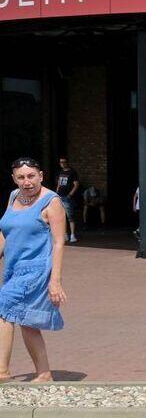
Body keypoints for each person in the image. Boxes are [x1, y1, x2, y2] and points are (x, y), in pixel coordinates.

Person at [0, 158, 67, 383]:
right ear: (14, 179)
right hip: (13, 268)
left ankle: (1, 372)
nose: (26, 182)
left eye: (31, 176)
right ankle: (44, 373)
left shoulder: (51, 201)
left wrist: (55, 281)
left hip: (35, 269)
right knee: (27, 322)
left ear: (41, 176)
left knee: (3, 308)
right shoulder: (14, 196)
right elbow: (7, 231)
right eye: (21, 177)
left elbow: (58, 242)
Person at [55, 157, 79, 243]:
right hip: (60, 196)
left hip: (67, 197)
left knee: (70, 216)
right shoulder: (60, 172)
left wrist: (70, 195)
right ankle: (65, 234)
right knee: (62, 217)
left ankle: (72, 235)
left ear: (67, 162)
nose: (62, 164)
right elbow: (59, 183)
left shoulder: (72, 172)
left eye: (64, 162)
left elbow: (76, 184)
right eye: (61, 162)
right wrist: (56, 193)